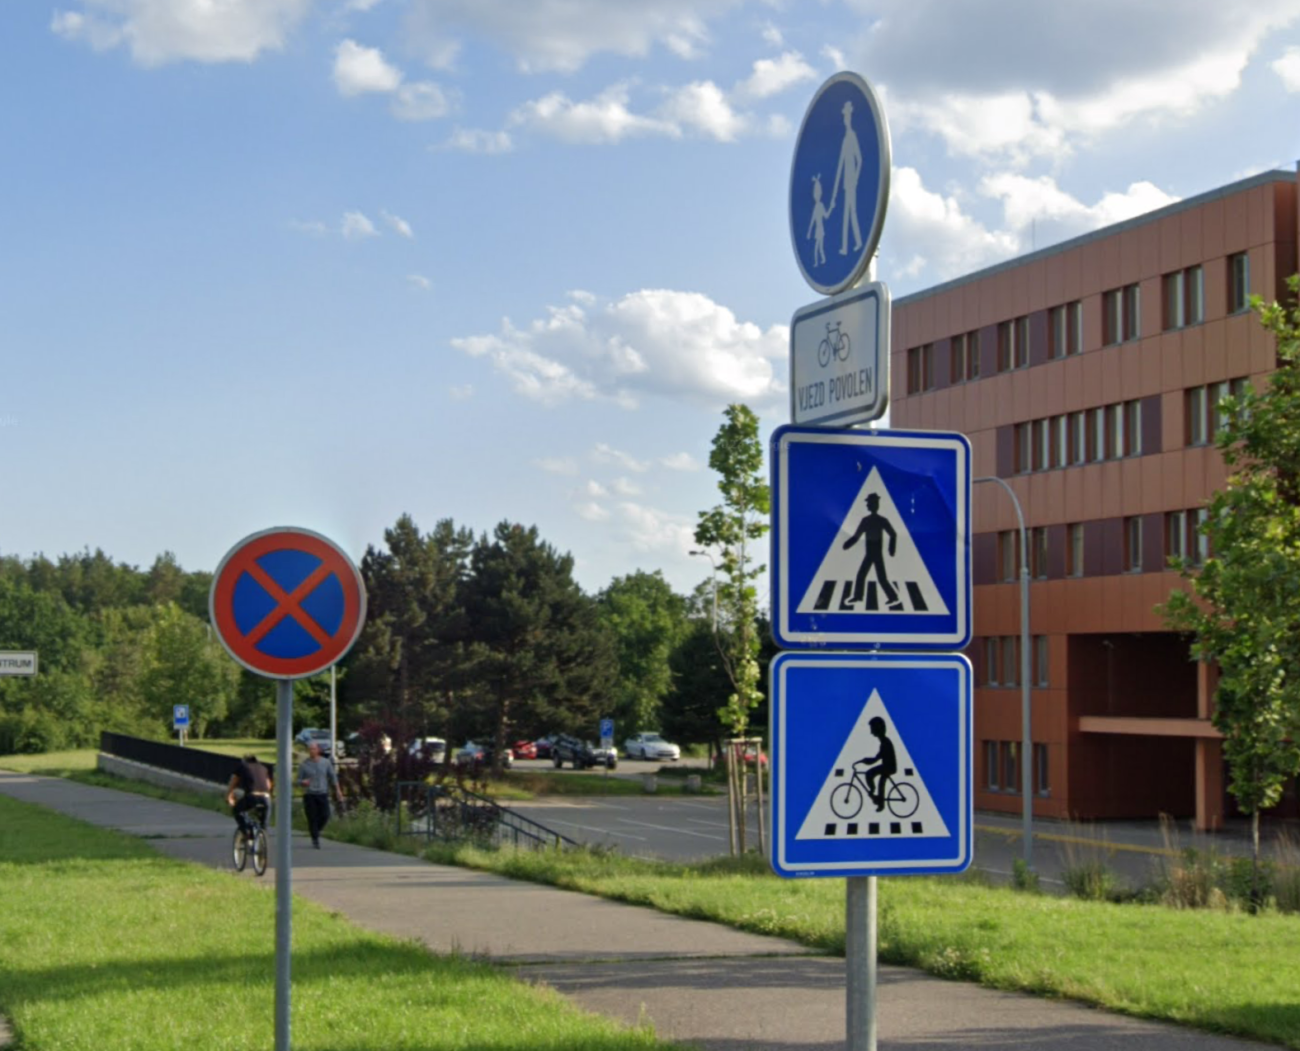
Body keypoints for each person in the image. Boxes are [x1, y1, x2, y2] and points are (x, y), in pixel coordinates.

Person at [842, 492, 903, 610]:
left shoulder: (880, 520)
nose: (867, 505)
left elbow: (893, 534)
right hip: (870, 553)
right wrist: (847, 544)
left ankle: (892, 597)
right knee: (868, 576)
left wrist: (891, 549)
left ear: (874, 504)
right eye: (868, 503)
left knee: (876, 577)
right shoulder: (866, 520)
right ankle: (860, 596)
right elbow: (857, 536)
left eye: (869, 503)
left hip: (875, 553)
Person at [297, 741, 343, 849]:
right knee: (312, 817)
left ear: (318, 750)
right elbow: (298, 780)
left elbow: (332, 776)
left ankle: (317, 830)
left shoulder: (325, 762)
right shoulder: (304, 765)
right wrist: (303, 782)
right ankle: (315, 839)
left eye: (313, 749)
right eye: (310, 749)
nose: (311, 751)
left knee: (325, 814)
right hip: (310, 794)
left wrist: (338, 790)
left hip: (322, 793)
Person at [854, 716, 897, 812]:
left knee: (870, 774)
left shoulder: (885, 742)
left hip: (889, 767)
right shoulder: (883, 742)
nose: (871, 731)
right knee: (875, 777)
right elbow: (877, 757)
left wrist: (867, 761)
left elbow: (877, 758)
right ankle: (877, 798)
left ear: (878, 729)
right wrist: (867, 760)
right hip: (886, 766)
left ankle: (877, 798)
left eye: (872, 728)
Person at [227, 754, 272, 835]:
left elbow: (234, 781)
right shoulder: (263, 768)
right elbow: (268, 785)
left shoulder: (243, 766)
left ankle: (247, 832)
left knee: (237, 810)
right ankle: (262, 834)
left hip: (252, 796)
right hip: (266, 798)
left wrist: (230, 795)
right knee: (263, 825)